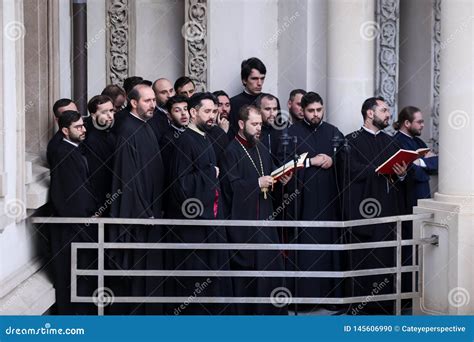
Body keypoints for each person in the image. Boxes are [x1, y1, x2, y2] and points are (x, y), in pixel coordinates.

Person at [166, 92, 234, 314]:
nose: (212, 116)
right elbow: (181, 185)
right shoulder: (185, 141)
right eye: (207, 111)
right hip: (194, 226)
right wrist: (209, 173)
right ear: (193, 112)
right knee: (197, 279)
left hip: (211, 219)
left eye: (214, 111)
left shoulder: (205, 137)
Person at [220, 104, 291, 315]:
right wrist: (255, 183)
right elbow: (228, 187)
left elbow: (268, 181)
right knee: (250, 276)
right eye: (254, 124)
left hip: (266, 222)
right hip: (245, 226)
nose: (259, 128)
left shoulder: (261, 148)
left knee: (271, 271)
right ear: (241, 124)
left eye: (260, 124)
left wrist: (280, 180)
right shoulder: (230, 151)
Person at [342, 96, 409, 315]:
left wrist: (401, 174)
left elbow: (401, 175)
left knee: (387, 259)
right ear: (370, 113)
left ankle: (386, 306)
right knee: (366, 261)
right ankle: (363, 308)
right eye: (384, 110)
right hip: (363, 212)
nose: (388, 114)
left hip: (389, 211)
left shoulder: (392, 142)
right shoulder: (350, 141)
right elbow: (349, 171)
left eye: (388, 110)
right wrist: (377, 170)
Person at [282, 92, 344, 309]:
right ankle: (307, 301)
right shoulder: (292, 133)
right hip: (304, 205)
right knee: (308, 251)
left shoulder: (333, 131)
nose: (316, 114)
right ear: (302, 111)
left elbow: (346, 161)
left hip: (330, 202)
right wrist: (310, 161)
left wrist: (333, 159)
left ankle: (331, 299)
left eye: (319, 110)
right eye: (311, 111)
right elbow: (284, 165)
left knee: (329, 249)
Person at [109, 84, 166, 314]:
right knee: (139, 274)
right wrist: (144, 212)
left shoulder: (145, 126)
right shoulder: (127, 130)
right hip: (140, 217)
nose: (153, 104)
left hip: (153, 212)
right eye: (147, 100)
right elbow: (128, 179)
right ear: (134, 103)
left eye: (154, 100)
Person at [49, 110, 97, 314]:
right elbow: (73, 193)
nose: (83, 130)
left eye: (83, 125)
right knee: (71, 273)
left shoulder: (73, 148)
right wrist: (90, 214)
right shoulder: (64, 153)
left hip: (77, 222)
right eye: (78, 127)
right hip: (72, 225)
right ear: (65, 130)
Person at [393, 106, 438, 208]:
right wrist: (426, 164)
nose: (422, 125)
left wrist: (420, 162)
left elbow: (437, 164)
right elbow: (409, 170)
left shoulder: (419, 141)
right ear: (407, 123)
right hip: (407, 196)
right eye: (419, 122)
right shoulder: (395, 142)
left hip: (423, 194)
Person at [82, 95, 116, 215]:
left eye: (111, 111)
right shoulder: (92, 139)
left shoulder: (110, 132)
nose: (110, 115)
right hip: (102, 198)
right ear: (93, 115)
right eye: (104, 112)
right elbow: (96, 175)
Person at [228, 57, 266, 138]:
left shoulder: (270, 101)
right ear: (244, 80)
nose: (259, 83)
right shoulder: (233, 103)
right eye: (254, 79)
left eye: (262, 78)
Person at [46, 98, 78, 167]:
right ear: (58, 120)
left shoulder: (85, 132)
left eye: (76, 113)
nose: (76, 118)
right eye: (69, 115)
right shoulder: (56, 146)